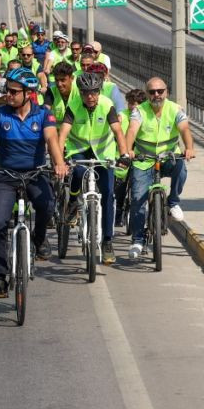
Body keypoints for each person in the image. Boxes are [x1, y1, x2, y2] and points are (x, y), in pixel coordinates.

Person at [0, 67, 68, 297]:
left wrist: (58, 163)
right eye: (8, 91)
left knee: (47, 206)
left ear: (29, 93)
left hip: (35, 173)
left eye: (15, 92)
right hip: (6, 175)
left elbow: (52, 139)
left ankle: (38, 239)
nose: (9, 95)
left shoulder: (43, 115)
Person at [56, 71, 127, 265]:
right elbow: (63, 133)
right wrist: (59, 158)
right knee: (78, 171)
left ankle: (107, 242)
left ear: (99, 90)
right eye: (85, 92)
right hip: (79, 150)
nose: (90, 96)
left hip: (103, 153)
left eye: (94, 92)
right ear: (79, 92)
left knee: (109, 193)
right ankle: (72, 202)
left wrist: (124, 154)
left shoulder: (106, 105)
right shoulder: (74, 105)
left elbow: (118, 131)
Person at [126, 76, 196, 258]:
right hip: (144, 159)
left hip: (167, 157)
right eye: (152, 92)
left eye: (160, 91)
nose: (156, 95)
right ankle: (138, 240)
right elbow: (132, 130)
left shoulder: (175, 109)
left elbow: (185, 130)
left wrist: (188, 148)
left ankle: (173, 201)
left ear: (167, 92)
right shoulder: (139, 111)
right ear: (147, 94)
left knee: (180, 167)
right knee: (137, 199)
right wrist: (127, 151)